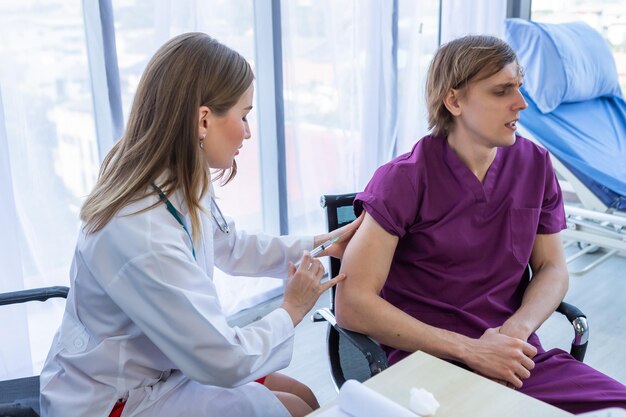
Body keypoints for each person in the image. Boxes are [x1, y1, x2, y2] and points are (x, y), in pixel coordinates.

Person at [40, 32, 361, 417]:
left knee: (303, 396)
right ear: (204, 120)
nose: (248, 131)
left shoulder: (177, 177)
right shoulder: (138, 232)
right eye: (244, 116)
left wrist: (320, 244)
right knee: (292, 409)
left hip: (164, 367)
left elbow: (231, 246)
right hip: (116, 400)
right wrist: (292, 309)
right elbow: (224, 360)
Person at [335, 35, 626, 414]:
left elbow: (553, 268)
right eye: (502, 91)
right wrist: (471, 349)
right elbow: (353, 305)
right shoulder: (404, 179)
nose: (521, 103)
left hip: (513, 359)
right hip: (427, 365)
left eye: (519, 88)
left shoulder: (535, 166)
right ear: (454, 101)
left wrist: (515, 332)